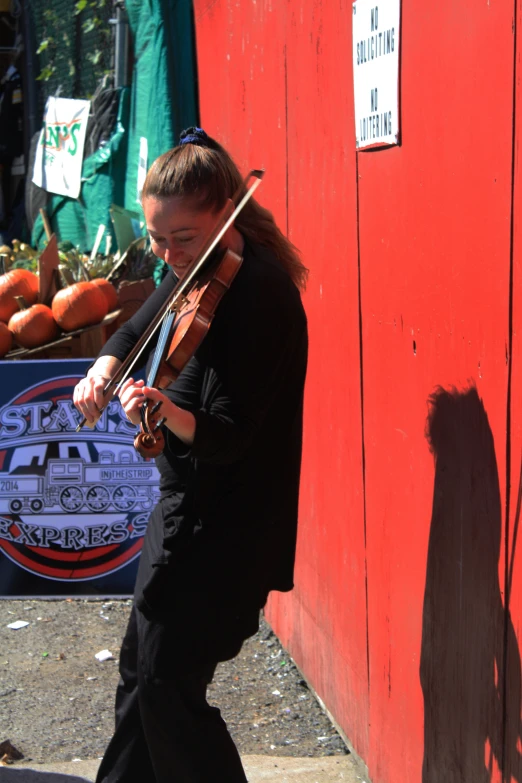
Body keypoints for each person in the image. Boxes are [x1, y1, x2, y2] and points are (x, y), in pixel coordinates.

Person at [73, 127, 308, 783]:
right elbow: (132, 325)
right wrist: (102, 369)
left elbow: (230, 434)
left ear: (226, 209)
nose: (168, 254)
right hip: (182, 513)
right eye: (156, 236)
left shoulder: (259, 294)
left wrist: (165, 408)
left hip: (225, 528)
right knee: (139, 677)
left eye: (183, 237)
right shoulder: (191, 270)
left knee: (168, 691)